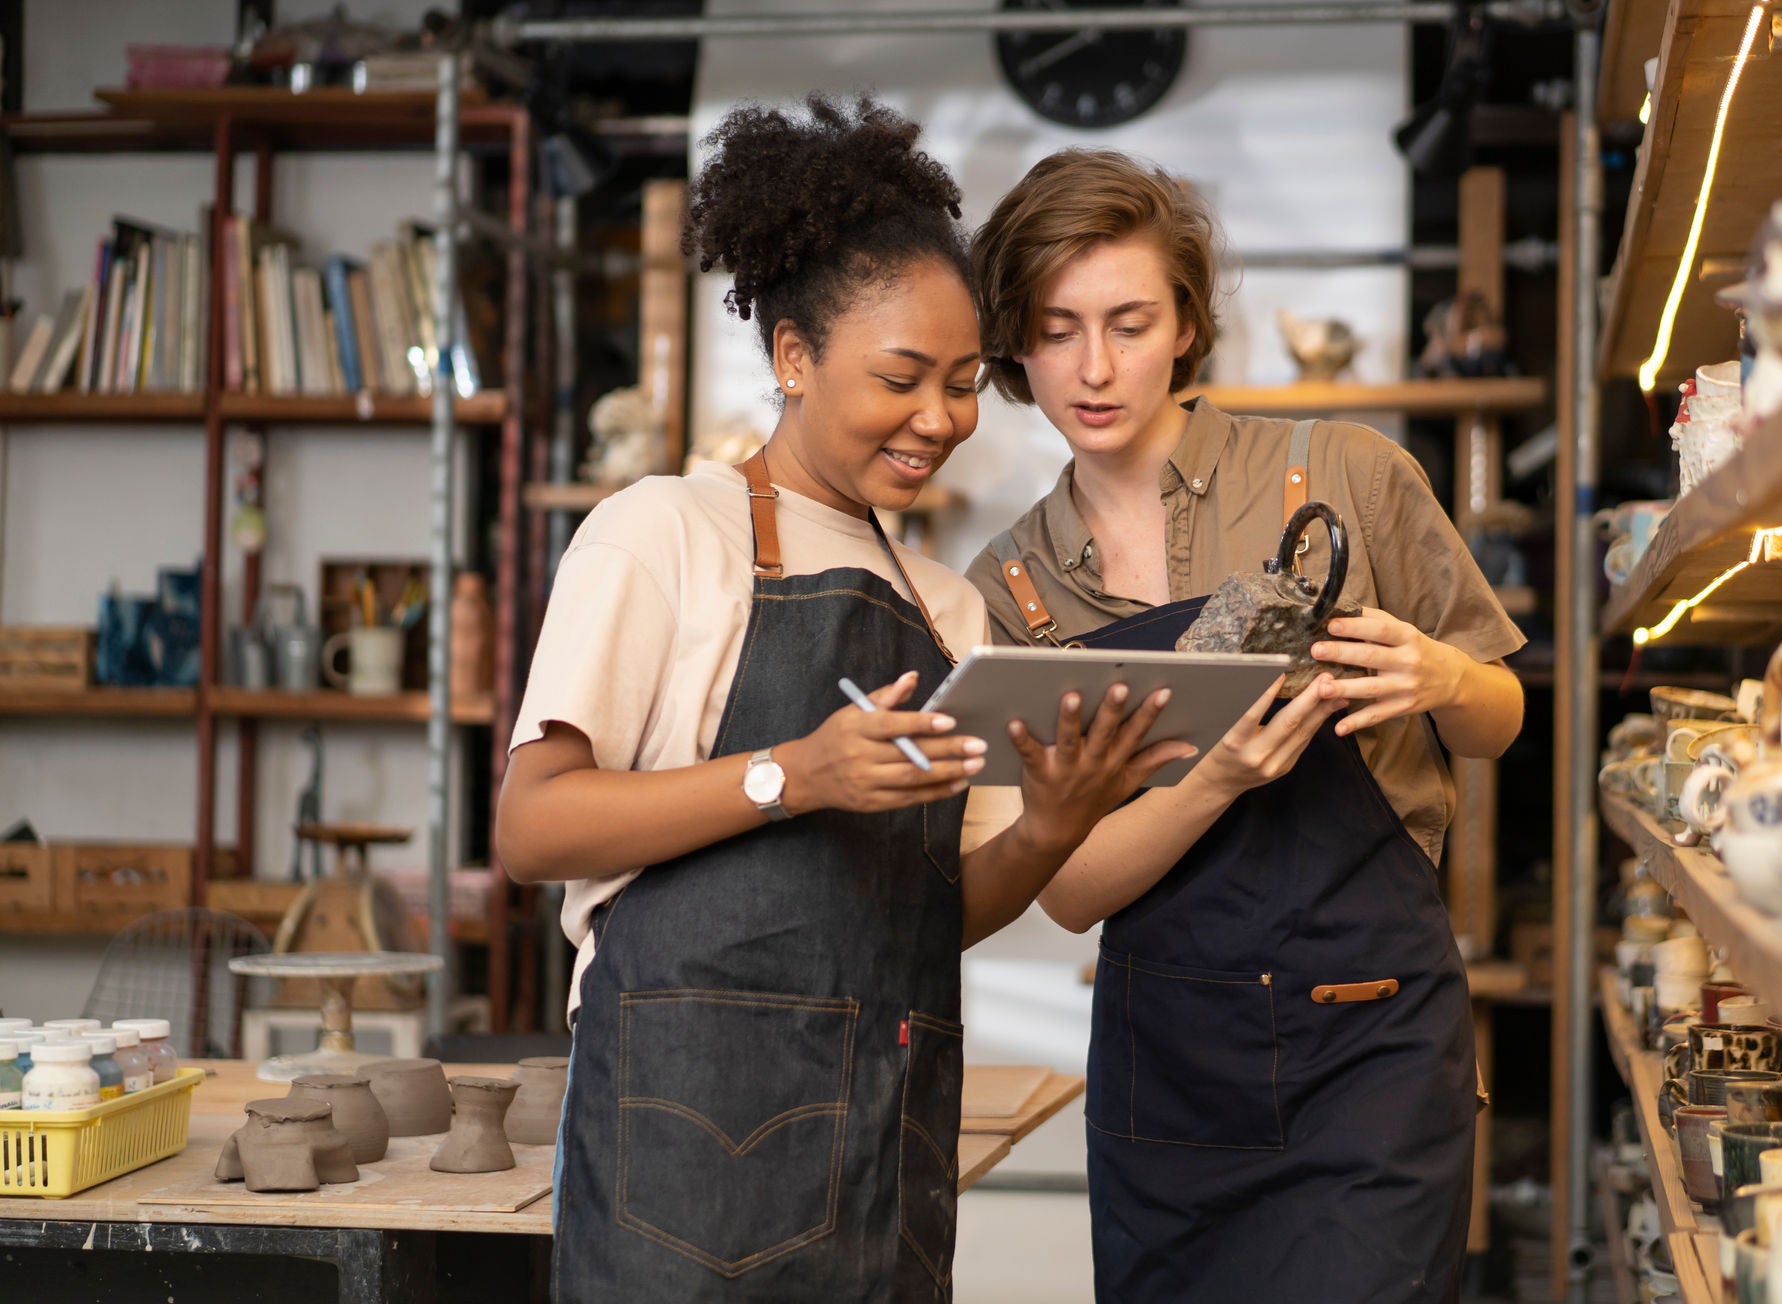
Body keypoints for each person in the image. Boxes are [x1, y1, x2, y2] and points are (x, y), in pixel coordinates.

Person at [496, 103, 1188, 1303]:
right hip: (687, 1148)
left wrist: (1053, 823)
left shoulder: (945, 607)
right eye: (901, 378)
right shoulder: (665, 532)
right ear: (792, 357)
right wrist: (790, 774)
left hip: (886, 1141)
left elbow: (936, 914)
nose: (938, 419)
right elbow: (533, 825)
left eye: (965, 384)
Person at [966, 149, 1528, 1303]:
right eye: (1057, 328)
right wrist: (1213, 777)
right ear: (1014, 345)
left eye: (1129, 321)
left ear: (1184, 322)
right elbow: (1068, 889)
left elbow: (1499, 719)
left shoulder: (1344, 473)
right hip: (1169, 1074)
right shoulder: (1013, 583)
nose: (1095, 365)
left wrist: (1435, 676)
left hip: (1367, 1043)